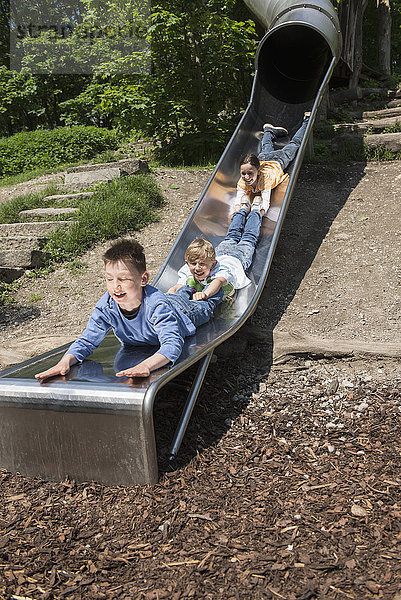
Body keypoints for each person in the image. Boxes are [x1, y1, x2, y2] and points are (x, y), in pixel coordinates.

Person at [35, 238, 223, 381]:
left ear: (143, 279)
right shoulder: (107, 305)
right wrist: (65, 361)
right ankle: (185, 288)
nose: (115, 286)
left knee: (204, 305)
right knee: (176, 295)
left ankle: (208, 290)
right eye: (109, 279)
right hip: (168, 301)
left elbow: (172, 345)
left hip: (183, 312)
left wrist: (147, 366)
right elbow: (87, 340)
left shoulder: (157, 306)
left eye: (123, 279)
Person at [167, 201, 262, 302]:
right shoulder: (188, 270)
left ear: (213, 265)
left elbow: (218, 282)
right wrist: (168, 295)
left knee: (248, 237)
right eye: (193, 264)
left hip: (239, 256)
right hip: (222, 251)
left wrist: (205, 294)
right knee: (232, 234)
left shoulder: (220, 271)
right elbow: (177, 286)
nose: (197, 268)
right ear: (187, 263)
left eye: (202, 264)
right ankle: (243, 209)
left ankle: (255, 211)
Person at [234, 111, 311, 216]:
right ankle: (268, 131)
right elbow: (238, 198)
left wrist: (260, 214)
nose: (246, 177)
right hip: (263, 159)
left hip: (278, 160)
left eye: (250, 173)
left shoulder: (265, 180)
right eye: (243, 173)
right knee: (266, 146)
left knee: (295, 143)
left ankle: (306, 121)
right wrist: (237, 210)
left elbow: (266, 201)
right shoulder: (242, 181)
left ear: (259, 170)